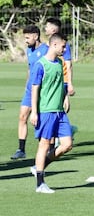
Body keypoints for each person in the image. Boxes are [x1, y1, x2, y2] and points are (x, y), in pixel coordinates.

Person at [29, 33, 73, 193]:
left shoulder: (60, 63)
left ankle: (38, 167)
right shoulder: (40, 65)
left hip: (59, 112)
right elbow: (35, 89)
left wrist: (66, 98)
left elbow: (62, 85)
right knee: (44, 145)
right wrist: (34, 112)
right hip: (46, 111)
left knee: (67, 145)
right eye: (63, 46)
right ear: (54, 45)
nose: (64, 49)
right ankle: (40, 184)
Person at [11, 25, 49, 160]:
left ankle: (49, 146)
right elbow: (29, 68)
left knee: (41, 120)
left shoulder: (46, 50)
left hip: (42, 90)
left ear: (36, 36)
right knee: (22, 117)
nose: (25, 41)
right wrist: (27, 84)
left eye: (27, 38)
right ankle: (21, 149)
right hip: (30, 90)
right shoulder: (29, 50)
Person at [44, 17, 76, 149]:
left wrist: (69, 84)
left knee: (60, 110)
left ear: (52, 29)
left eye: (46, 26)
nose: (45, 29)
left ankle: (56, 140)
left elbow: (68, 65)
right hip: (49, 82)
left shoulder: (63, 45)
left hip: (61, 83)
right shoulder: (45, 44)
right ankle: (57, 138)